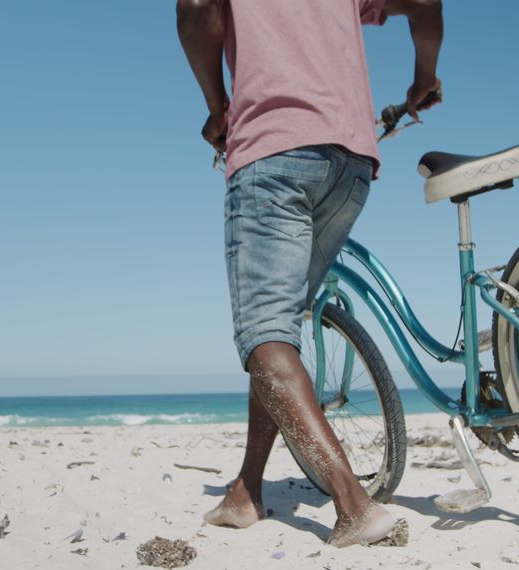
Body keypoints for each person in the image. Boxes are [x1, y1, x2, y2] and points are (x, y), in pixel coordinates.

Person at [176, 0, 443, 547]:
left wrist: (217, 104)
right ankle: (248, 489)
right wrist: (424, 79)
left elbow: (196, 6)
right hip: (351, 162)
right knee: (283, 327)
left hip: (275, 151)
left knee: (265, 336)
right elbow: (425, 3)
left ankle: (353, 504)